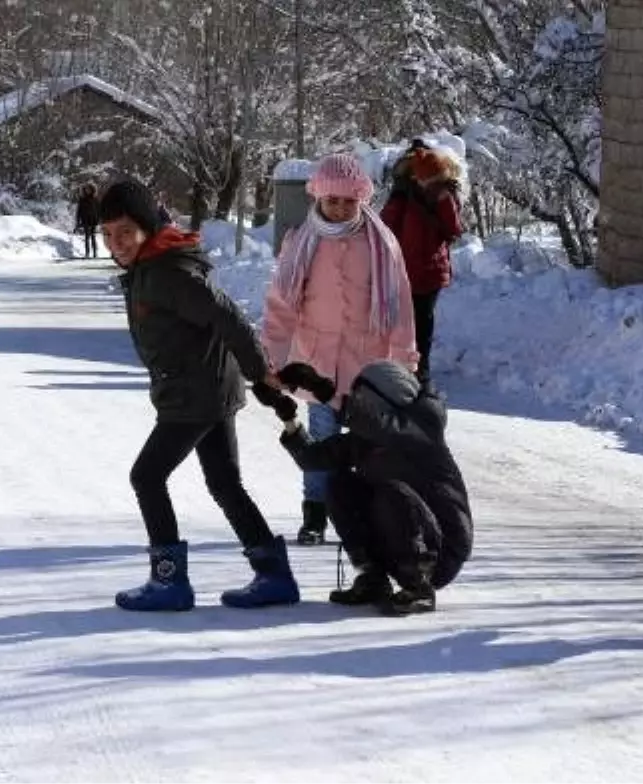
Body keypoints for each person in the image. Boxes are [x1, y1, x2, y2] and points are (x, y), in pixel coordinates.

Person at [100, 179, 299, 612]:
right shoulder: (149, 267)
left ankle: (169, 580)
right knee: (225, 483)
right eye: (108, 235)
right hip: (202, 387)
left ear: (147, 228)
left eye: (125, 233)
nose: (117, 244)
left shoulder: (168, 272)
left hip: (196, 393)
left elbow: (226, 316)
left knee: (147, 477)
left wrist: (260, 372)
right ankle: (273, 573)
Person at [261, 153, 418, 547]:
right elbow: (282, 304)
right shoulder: (301, 243)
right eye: (333, 200)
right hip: (318, 364)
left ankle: (366, 514)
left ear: (361, 199)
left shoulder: (381, 244)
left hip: (369, 365)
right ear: (319, 198)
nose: (340, 208)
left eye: (349, 201)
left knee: (370, 447)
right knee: (320, 444)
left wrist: (404, 363)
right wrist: (271, 359)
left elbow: (399, 306)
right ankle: (314, 515)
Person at [275, 359, 473, 615]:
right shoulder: (366, 439)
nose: (360, 402)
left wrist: (322, 389)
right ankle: (372, 577)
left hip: (445, 548)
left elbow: (381, 426)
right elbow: (310, 458)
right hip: (401, 542)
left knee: (393, 491)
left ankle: (419, 587)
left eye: (363, 396)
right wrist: (287, 416)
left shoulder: (424, 423)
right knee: (339, 484)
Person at [381, 145, 465, 388]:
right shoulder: (403, 195)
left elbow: (454, 230)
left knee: (422, 323)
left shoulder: (446, 195)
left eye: (438, 178)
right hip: (403, 271)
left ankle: (420, 370)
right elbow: (386, 227)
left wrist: (442, 202)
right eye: (429, 178)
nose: (433, 183)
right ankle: (403, 367)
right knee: (404, 323)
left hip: (429, 272)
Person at [74, 183, 100, 258]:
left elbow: (99, 211)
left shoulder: (95, 199)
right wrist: (78, 221)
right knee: (87, 237)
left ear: (92, 190)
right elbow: (79, 211)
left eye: (89, 189)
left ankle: (95, 253)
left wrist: (98, 220)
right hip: (85, 221)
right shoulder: (82, 200)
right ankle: (87, 253)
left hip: (93, 221)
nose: (87, 190)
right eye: (86, 189)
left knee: (93, 237)